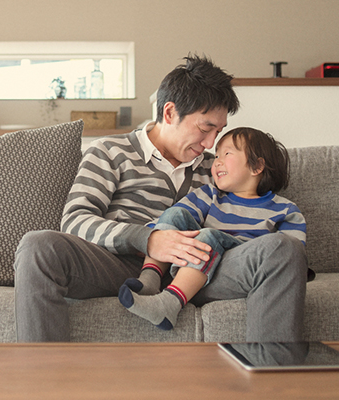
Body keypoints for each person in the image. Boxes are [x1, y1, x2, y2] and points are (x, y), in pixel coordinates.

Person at [13, 55, 308, 343]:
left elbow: (252, 207)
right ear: (169, 113)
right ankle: (43, 380)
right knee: (38, 246)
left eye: (218, 132)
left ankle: (273, 381)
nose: (210, 144)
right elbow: (76, 221)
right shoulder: (110, 151)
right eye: (206, 128)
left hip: (202, 270)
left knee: (284, 248)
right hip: (122, 266)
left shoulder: (217, 168)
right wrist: (149, 239)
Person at [120, 127, 306, 330]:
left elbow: (290, 260)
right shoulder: (209, 194)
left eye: (227, 154)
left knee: (209, 236)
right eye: (217, 155)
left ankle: (170, 303)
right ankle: (149, 280)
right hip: (196, 267)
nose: (217, 161)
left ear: (257, 166)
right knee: (176, 214)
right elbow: (171, 221)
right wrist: (147, 237)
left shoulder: (285, 209)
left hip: (238, 268)